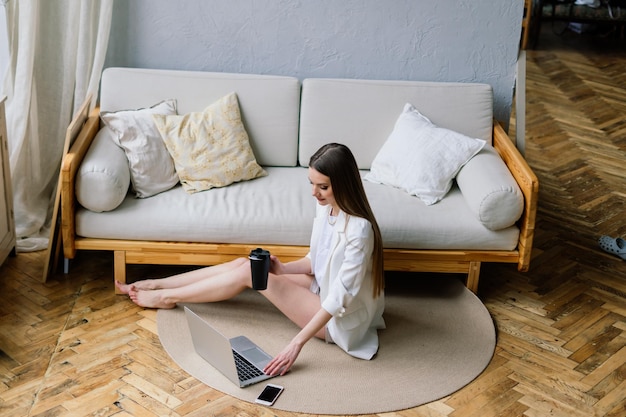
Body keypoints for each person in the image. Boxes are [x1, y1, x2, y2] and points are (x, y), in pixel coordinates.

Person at [116, 143, 385, 375]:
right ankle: (159, 284)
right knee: (245, 265)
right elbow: (318, 259)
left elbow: (339, 299)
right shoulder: (327, 206)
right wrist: (284, 269)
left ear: (344, 185)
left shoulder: (359, 231)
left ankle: (167, 298)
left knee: (248, 275)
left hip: (338, 320)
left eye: (323, 187)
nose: (314, 193)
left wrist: (296, 344)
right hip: (322, 288)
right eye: (312, 184)